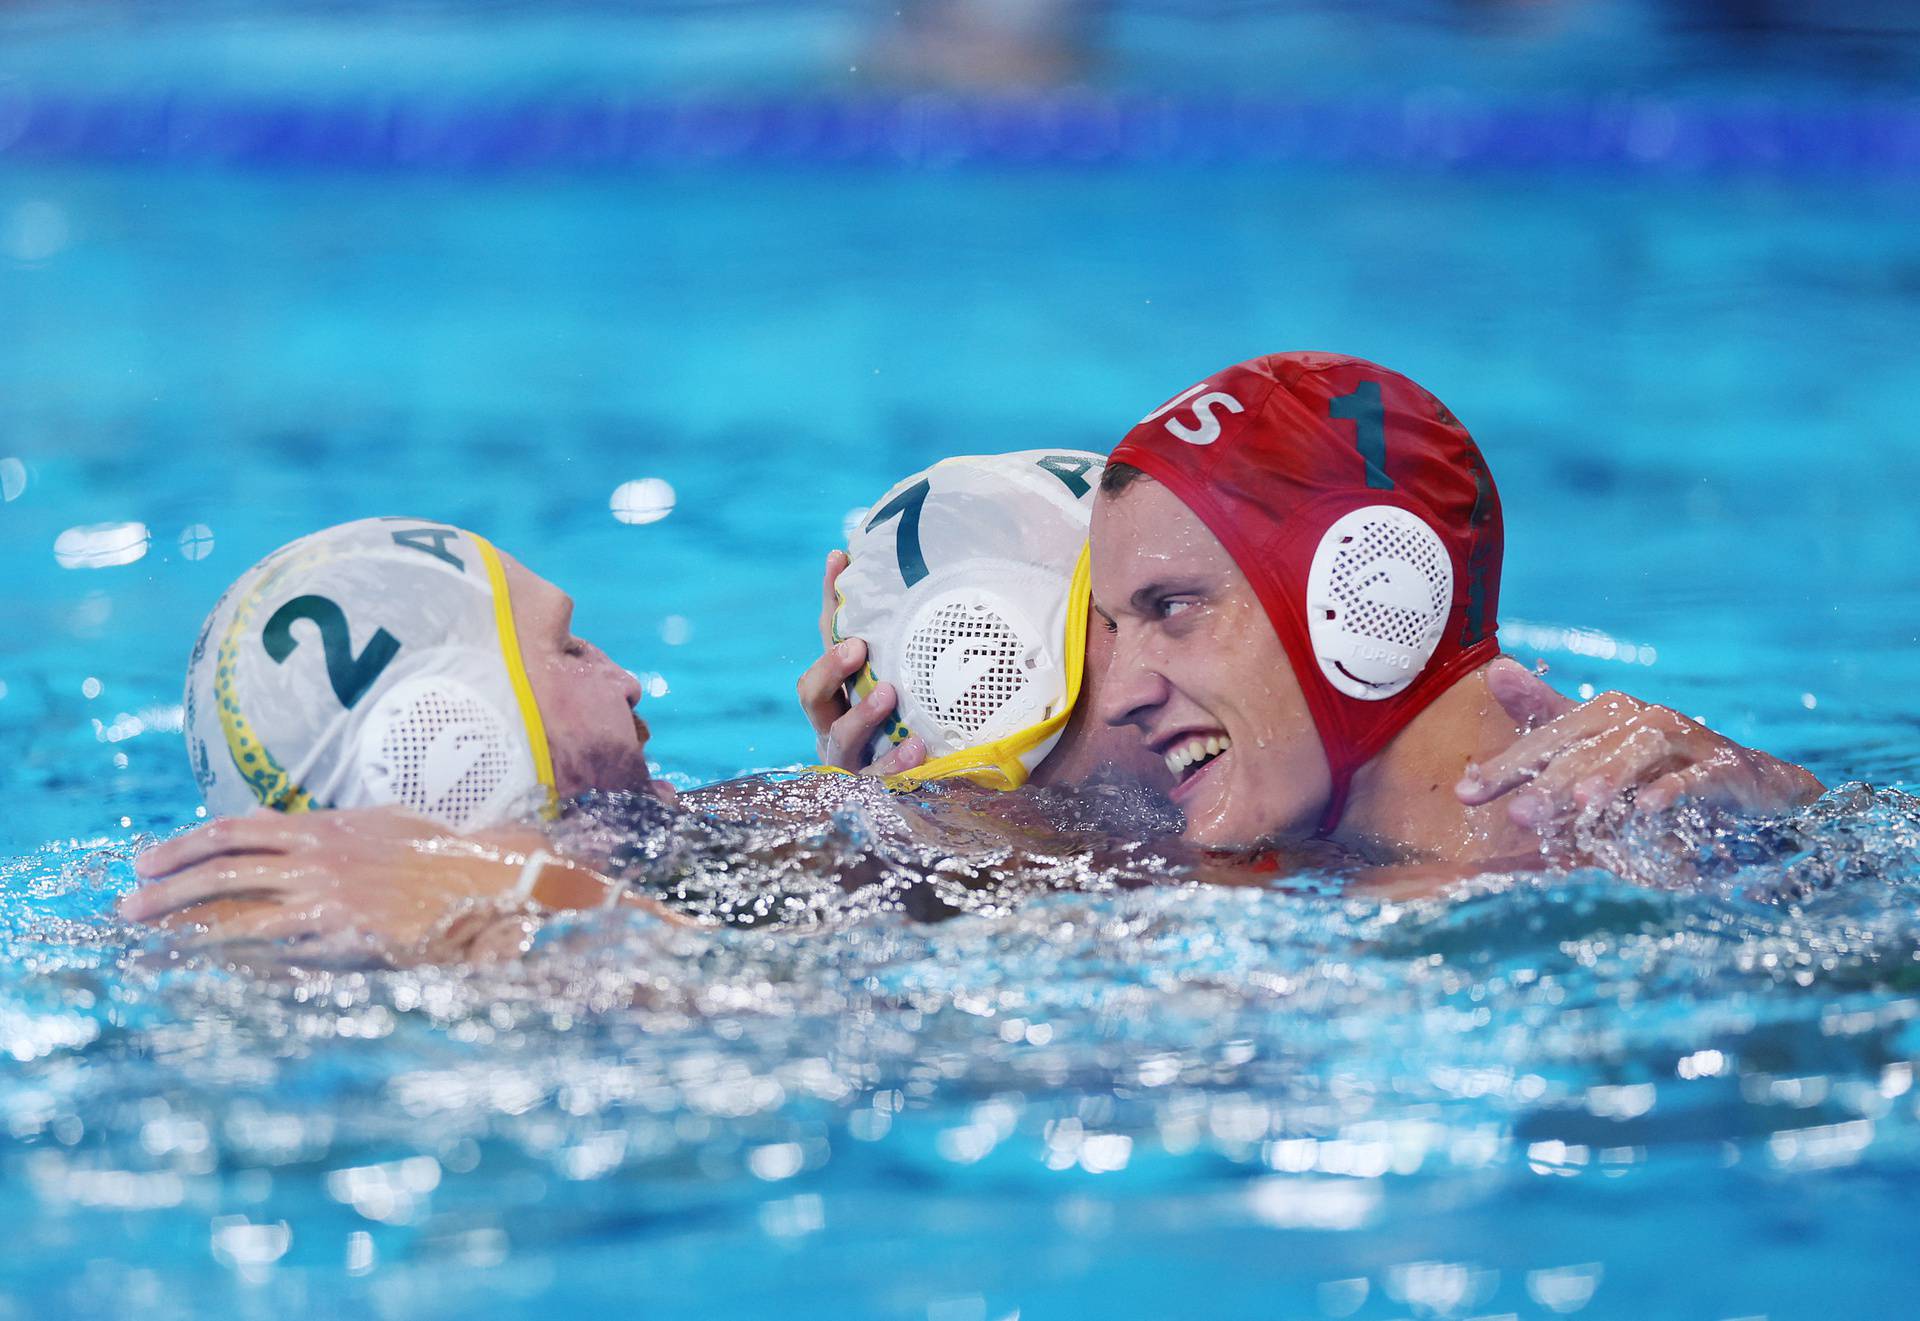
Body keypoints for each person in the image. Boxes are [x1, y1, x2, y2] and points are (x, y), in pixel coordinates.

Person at [1089, 350, 1824, 864]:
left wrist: (1795, 816)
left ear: (1368, 591)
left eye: (1176, 606)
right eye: (1116, 626)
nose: (1121, 694)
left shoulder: (1640, 859)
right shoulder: (1282, 866)